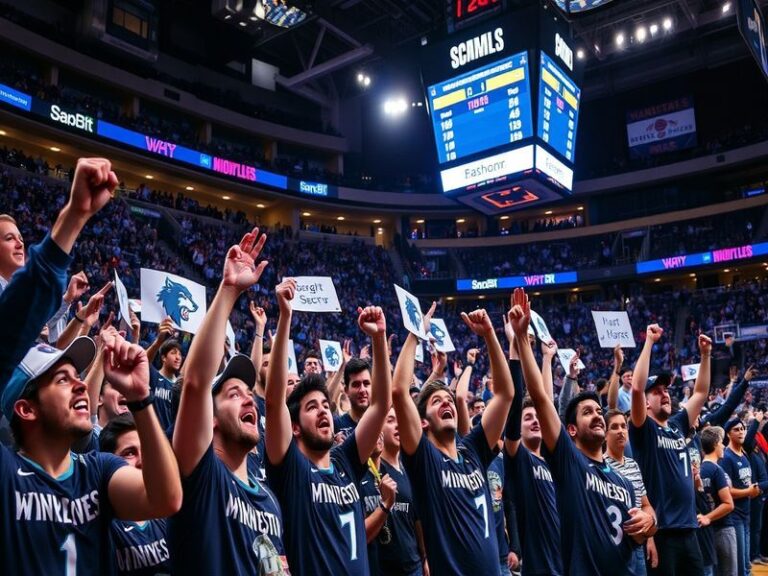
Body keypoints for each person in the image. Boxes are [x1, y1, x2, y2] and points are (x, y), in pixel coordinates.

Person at [0, 331, 182, 575]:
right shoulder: (6, 472)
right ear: (26, 409)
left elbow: (166, 499)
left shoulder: (98, 469)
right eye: (63, 380)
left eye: (78, 377)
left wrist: (140, 398)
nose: (82, 385)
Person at [169, 228, 289, 574]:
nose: (249, 401)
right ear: (213, 417)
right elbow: (194, 383)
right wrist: (229, 290)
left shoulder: (269, 500)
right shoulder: (201, 473)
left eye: (249, 395)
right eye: (234, 394)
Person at [511, 288, 653, 575]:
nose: (598, 416)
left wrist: (650, 522)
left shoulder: (623, 481)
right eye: (588, 412)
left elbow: (640, 528)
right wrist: (523, 342)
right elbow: (540, 397)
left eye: (599, 411)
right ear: (571, 430)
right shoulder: (569, 461)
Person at [265, 277, 392, 575]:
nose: (323, 411)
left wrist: (378, 338)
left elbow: (381, 406)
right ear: (294, 427)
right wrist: (285, 317)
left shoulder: (345, 458)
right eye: (312, 407)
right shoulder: (291, 467)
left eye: (325, 405)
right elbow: (273, 403)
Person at [391, 299, 514, 576]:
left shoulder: (472, 450)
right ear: (422, 421)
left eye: (449, 399)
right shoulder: (423, 457)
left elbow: (506, 394)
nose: (447, 403)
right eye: (437, 401)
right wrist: (416, 332)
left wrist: (490, 336)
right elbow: (399, 391)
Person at [630, 325, 711, 575]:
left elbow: (700, 392)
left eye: (666, 390)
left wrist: (705, 356)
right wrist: (650, 343)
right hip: (662, 532)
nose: (665, 395)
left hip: (689, 529)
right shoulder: (643, 429)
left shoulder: (677, 425)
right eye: (656, 392)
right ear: (645, 402)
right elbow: (635, 388)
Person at [502, 328, 562, 576]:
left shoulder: (552, 458)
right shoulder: (519, 458)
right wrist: (515, 347)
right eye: (528, 419)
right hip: (539, 567)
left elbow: (545, 402)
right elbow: (515, 407)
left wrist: (547, 359)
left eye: (537, 417)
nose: (536, 421)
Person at [99, 413, 170, 575]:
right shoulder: (101, 523)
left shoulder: (171, 512)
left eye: (147, 450)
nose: (142, 461)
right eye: (130, 453)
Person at [604, 409, 659, 575]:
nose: (620, 431)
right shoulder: (600, 466)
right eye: (614, 427)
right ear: (605, 434)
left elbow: (646, 505)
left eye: (623, 426)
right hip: (613, 550)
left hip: (638, 547)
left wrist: (650, 532)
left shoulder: (633, 465)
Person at [720, 418, 760, 576]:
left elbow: (747, 483)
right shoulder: (727, 457)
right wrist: (749, 491)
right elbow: (727, 491)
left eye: (743, 429)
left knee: (746, 564)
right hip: (734, 516)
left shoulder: (743, 455)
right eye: (736, 429)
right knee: (740, 565)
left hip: (746, 514)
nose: (741, 432)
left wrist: (753, 489)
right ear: (728, 434)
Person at [699, 426, 736, 576]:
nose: (723, 446)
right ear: (715, 444)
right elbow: (728, 504)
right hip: (723, 528)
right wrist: (708, 517)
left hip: (706, 531)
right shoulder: (716, 470)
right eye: (721, 442)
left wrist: (707, 517)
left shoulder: (699, 470)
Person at [333, 357, 373, 440]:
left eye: (366, 383)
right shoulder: (336, 426)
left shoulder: (382, 424)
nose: (362, 390)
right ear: (346, 390)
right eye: (356, 384)